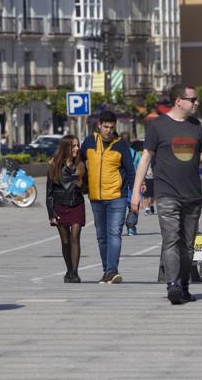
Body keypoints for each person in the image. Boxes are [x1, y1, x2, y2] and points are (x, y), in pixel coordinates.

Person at [130, 84, 202, 304]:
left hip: (192, 192)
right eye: (192, 99)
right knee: (171, 239)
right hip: (166, 193)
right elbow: (145, 159)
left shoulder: (195, 126)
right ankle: (172, 285)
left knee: (189, 245)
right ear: (178, 101)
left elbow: (199, 157)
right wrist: (136, 191)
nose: (196, 103)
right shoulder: (158, 126)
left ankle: (183, 284)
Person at [81, 110, 135, 284]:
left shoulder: (121, 145)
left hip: (117, 196)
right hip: (96, 197)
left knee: (114, 233)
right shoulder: (89, 142)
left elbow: (130, 171)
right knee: (101, 236)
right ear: (99, 125)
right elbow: (78, 162)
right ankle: (107, 272)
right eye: (105, 127)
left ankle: (112, 271)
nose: (108, 131)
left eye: (111, 127)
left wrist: (135, 196)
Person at [46, 135, 86, 283]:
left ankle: (75, 272)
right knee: (65, 241)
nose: (76, 149)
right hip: (60, 206)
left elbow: (86, 187)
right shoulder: (54, 165)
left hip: (77, 204)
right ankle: (69, 270)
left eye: (77, 146)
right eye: (73, 146)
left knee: (75, 237)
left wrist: (81, 181)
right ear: (65, 148)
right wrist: (51, 213)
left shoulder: (81, 165)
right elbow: (49, 192)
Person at [121, 132, 141, 236]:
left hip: (121, 183)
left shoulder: (117, 152)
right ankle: (131, 227)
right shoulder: (135, 154)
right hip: (134, 183)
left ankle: (118, 226)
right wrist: (143, 183)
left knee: (120, 206)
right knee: (133, 206)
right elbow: (139, 169)